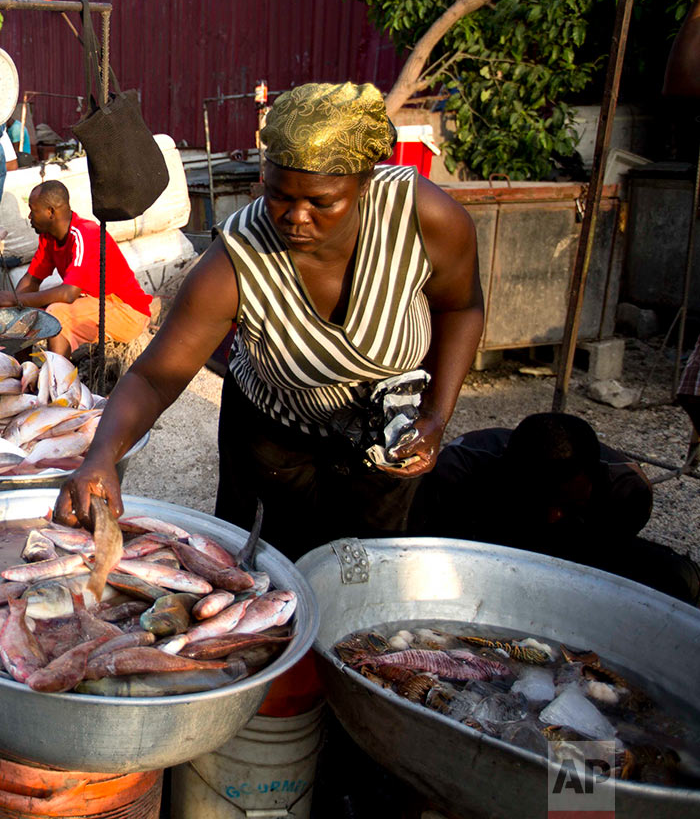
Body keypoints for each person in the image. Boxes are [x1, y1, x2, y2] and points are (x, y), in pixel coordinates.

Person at [58, 82, 485, 560]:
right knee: (265, 573)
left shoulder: (423, 218)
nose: (295, 217)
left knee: (371, 573)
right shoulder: (238, 260)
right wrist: (100, 458)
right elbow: (156, 378)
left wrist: (435, 415)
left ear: (365, 182)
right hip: (273, 441)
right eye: (279, 195)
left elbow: (460, 307)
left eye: (322, 202)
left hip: (383, 433)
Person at [410, 414, 700, 604]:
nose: (552, 515)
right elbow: (442, 552)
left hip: (578, 549)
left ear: (591, 477)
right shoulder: (465, 466)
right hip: (493, 539)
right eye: (538, 498)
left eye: (566, 503)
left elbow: (604, 568)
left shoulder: (625, 491)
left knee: (678, 581)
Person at [0, 180, 152, 357]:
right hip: (93, 304)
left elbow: (68, 294)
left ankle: (59, 382)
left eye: (33, 210)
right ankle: (22, 374)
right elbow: (32, 279)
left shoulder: (85, 235)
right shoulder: (49, 238)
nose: (30, 217)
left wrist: (17, 300)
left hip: (127, 312)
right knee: (24, 316)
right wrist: (14, 309)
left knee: (58, 313)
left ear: (50, 212)